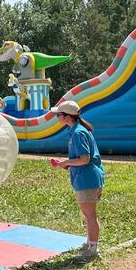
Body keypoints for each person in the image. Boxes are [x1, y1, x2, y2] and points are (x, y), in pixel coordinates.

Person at [50, 100, 105, 259]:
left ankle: (93, 249)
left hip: (87, 179)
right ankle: (90, 242)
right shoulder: (77, 130)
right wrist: (67, 164)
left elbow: (85, 158)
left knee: (90, 215)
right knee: (88, 214)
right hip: (86, 178)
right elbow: (81, 159)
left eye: (58, 115)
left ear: (67, 117)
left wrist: (66, 162)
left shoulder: (78, 133)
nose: (57, 117)